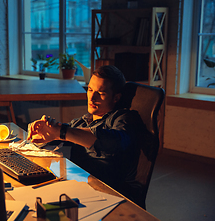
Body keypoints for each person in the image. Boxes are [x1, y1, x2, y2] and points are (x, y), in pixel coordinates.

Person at [27, 65, 150, 203]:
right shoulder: (84, 121)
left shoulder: (125, 118)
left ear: (116, 98)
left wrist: (62, 132)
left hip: (108, 196)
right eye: (90, 89)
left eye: (101, 93)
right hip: (80, 188)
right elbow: (66, 133)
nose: (92, 97)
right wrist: (47, 133)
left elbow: (115, 142)